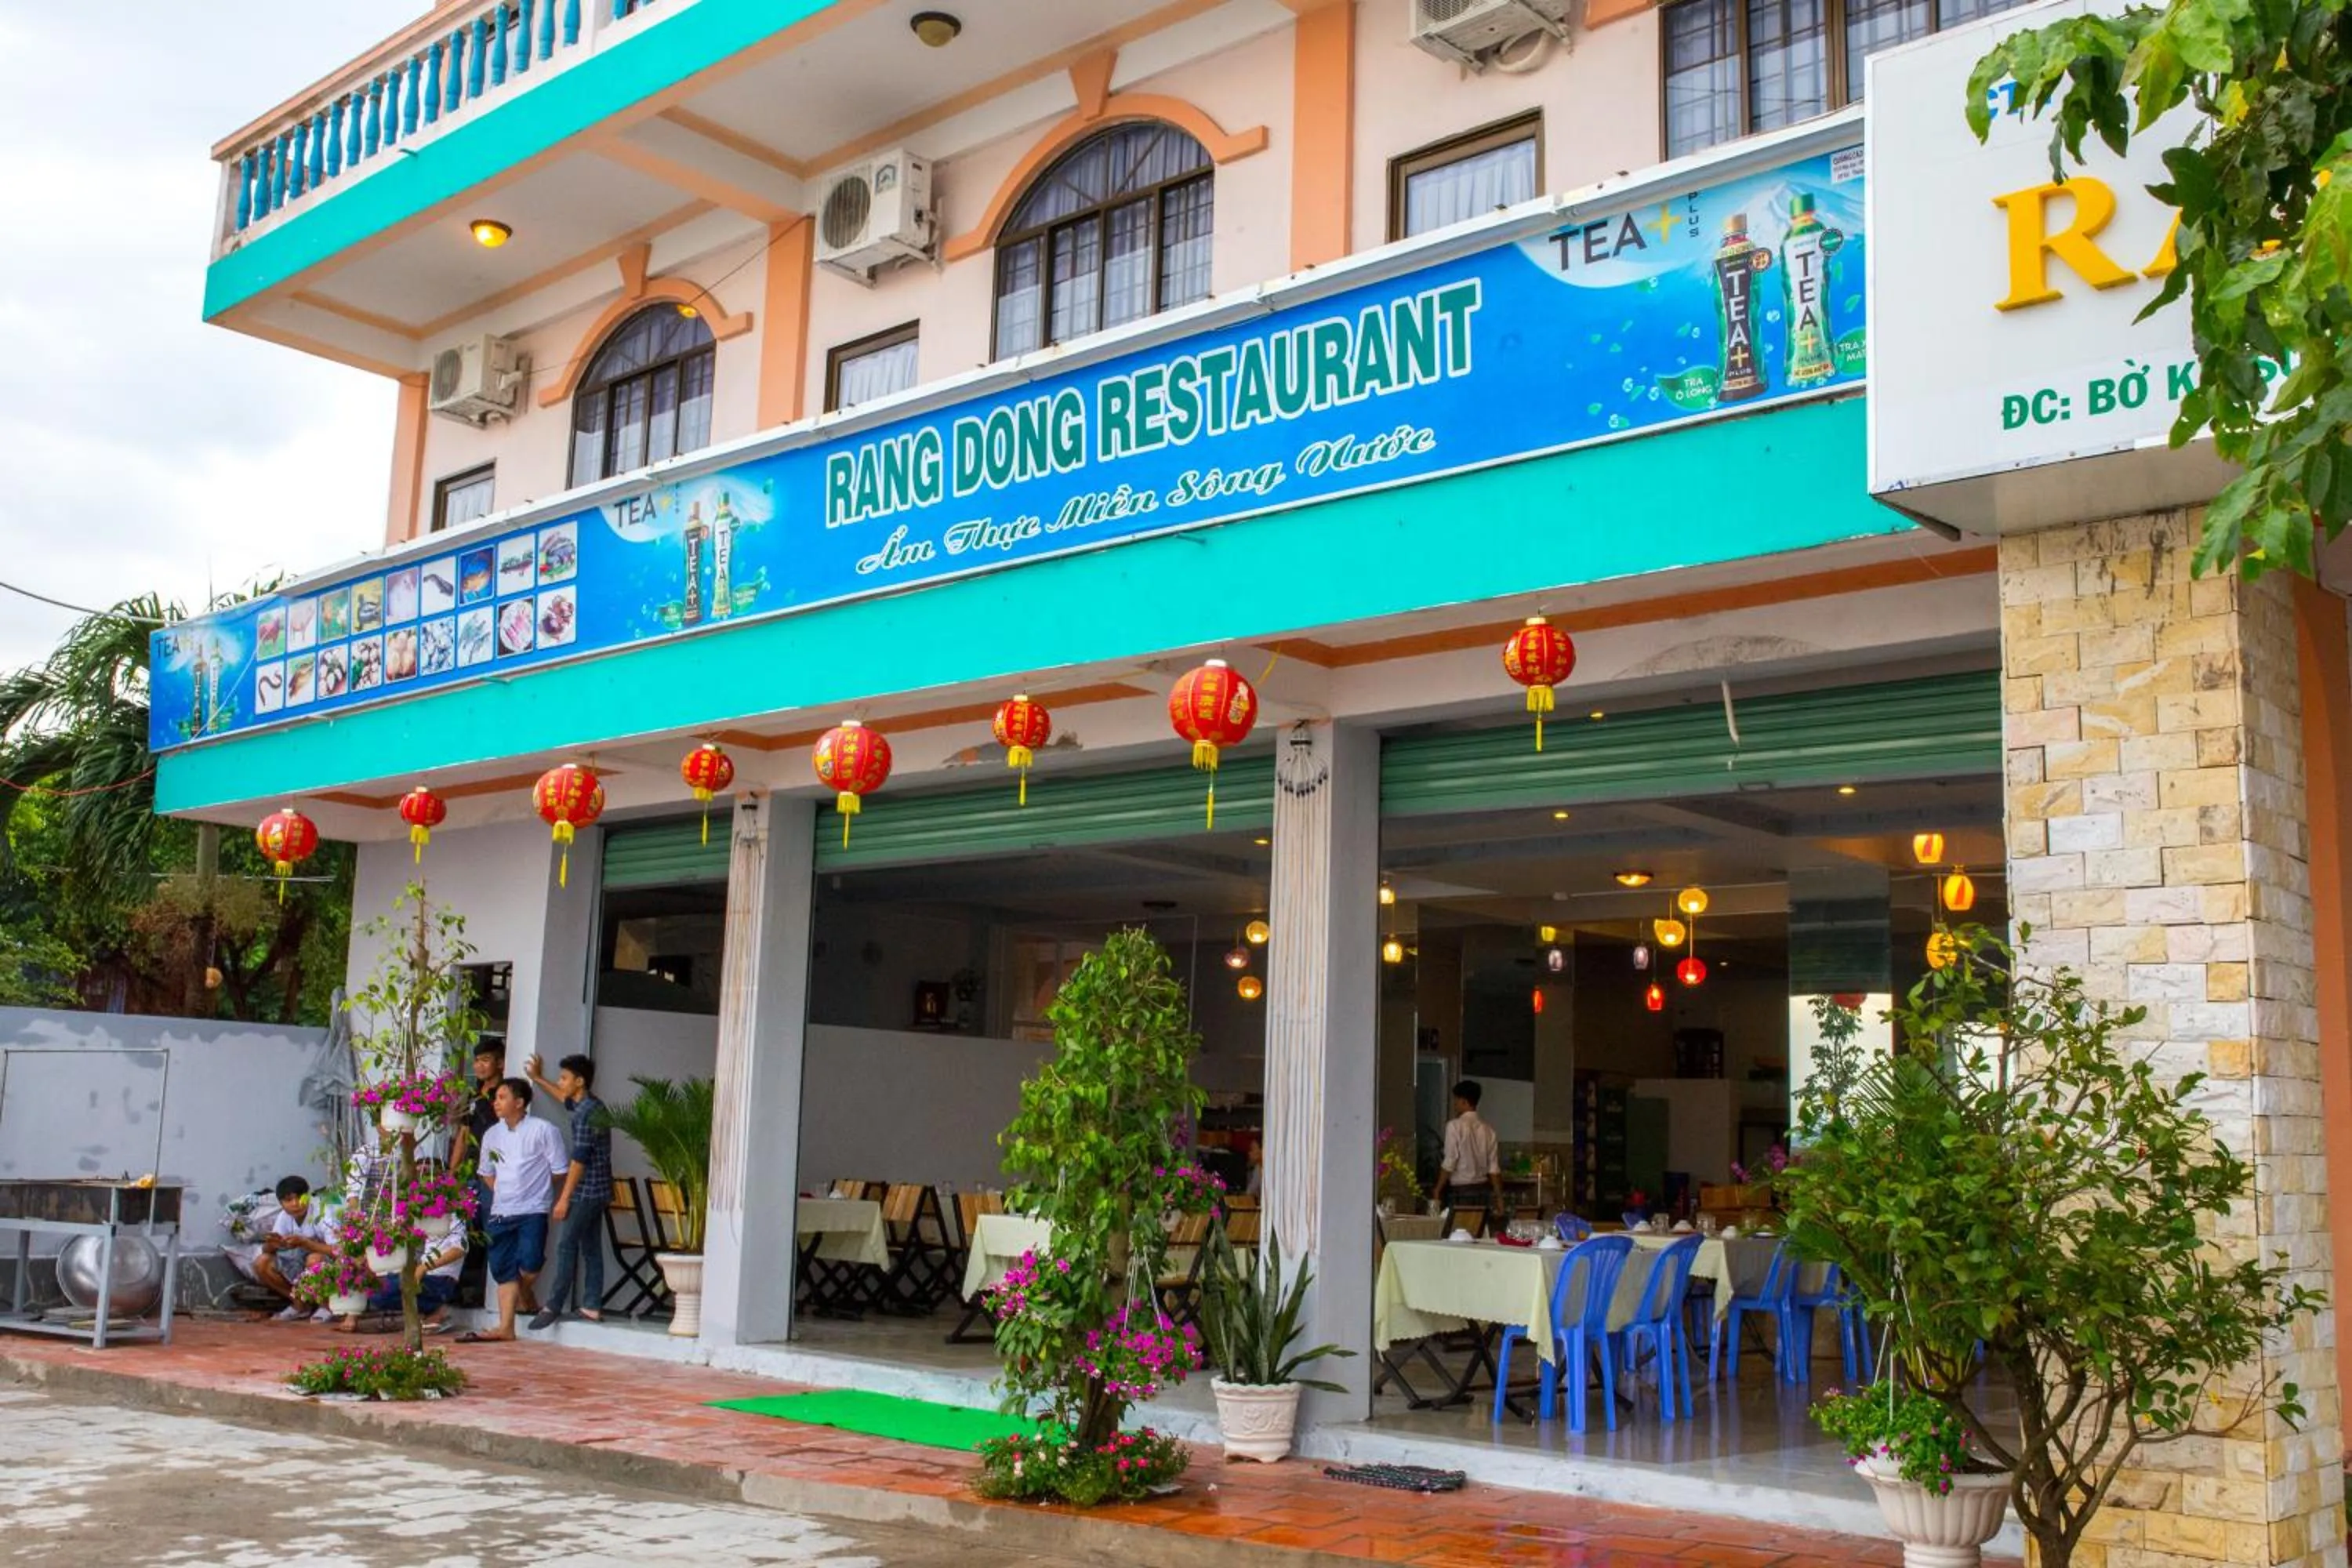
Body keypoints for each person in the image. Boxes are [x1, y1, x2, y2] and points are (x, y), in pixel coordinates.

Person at [460, 1076, 569, 1343]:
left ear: (519, 1103)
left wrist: (534, 1188)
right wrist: (502, 1190)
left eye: (502, 1097)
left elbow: (559, 1170)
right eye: (496, 1098)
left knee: (531, 1261)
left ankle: (521, 1298)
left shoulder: (544, 1130)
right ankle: (506, 1327)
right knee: (502, 1268)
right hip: (500, 1209)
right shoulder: (491, 1134)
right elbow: (486, 1172)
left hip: (533, 1208)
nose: (496, 1103)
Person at [523, 1051, 611, 1330]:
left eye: (564, 1078)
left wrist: (564, 1199)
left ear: (580, 1081)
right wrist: (538, 1079)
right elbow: (563, 1098)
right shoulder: (587, 1104)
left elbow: (579, 1160)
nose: (561, 1082)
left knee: (566, 1245)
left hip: (588, 1191)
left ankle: (553, 1306)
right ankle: (591, 1307)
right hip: (598, 1190)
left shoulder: (588, 1114)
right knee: (591, 1248)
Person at [336, 1225, 466, 1334]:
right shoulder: (425, 1217)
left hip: (441, 1280)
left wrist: (424, 1268)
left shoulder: (453, 1218)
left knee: (381, 1293)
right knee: (373, 1289)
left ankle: (437, 1309)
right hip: (421, 1276)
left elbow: (460, 1249)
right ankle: (429, 1311)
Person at [256, 1176, 337, 1322]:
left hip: (331, 1266)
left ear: (308, 1196)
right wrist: (272, 1244)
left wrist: (306, 1243)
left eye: (299, 1198)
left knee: (314, 1260)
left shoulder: (322, 1212)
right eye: (288, 1200)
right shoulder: (284, 1217)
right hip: (298, 1263)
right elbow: (267, 1250)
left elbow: (337, 1250)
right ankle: (299, 1304)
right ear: (281, 1203)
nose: (295, 1204)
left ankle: (327, 1306)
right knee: (262, 1263)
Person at [1431, 1080, 1501, 1219]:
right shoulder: (1489, 1130)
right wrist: (1499, 1198)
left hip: (1461, 1191)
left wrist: (1437, 1189)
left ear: (1464, 1101)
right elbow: (1493, 1169)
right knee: (1478, 1232)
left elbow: (1450, 1161)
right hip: (1482, 1191)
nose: (1455, 1104)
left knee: (1458, 1234)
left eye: (1456, 1100)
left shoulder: (1454, 1126)